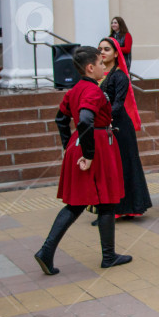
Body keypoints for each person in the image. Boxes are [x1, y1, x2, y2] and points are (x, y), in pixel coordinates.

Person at [34, 46, 132, 275]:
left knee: (76, 203)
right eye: (100, 63)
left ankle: (47, 251)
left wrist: (70, 145)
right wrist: (88, 154)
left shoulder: (74, 90)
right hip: (95, 147)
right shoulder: (93, 91)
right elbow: (86, 119)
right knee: (106, 200)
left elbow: (61, 119)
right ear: (90, 67)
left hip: (82, 144)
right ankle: (107, 256)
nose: (103, 66)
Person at [88, 38, 151, 225]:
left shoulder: (120, 76)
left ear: (116, 53)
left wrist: (99, 117)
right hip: (102, 125)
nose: (102, 52)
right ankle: (109, 209)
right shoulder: (96, 76)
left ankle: (124, 208)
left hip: (119, 127)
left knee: (122, 166)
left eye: (107, 49)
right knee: (108, 168)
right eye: (100, 49)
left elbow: (117, 104)